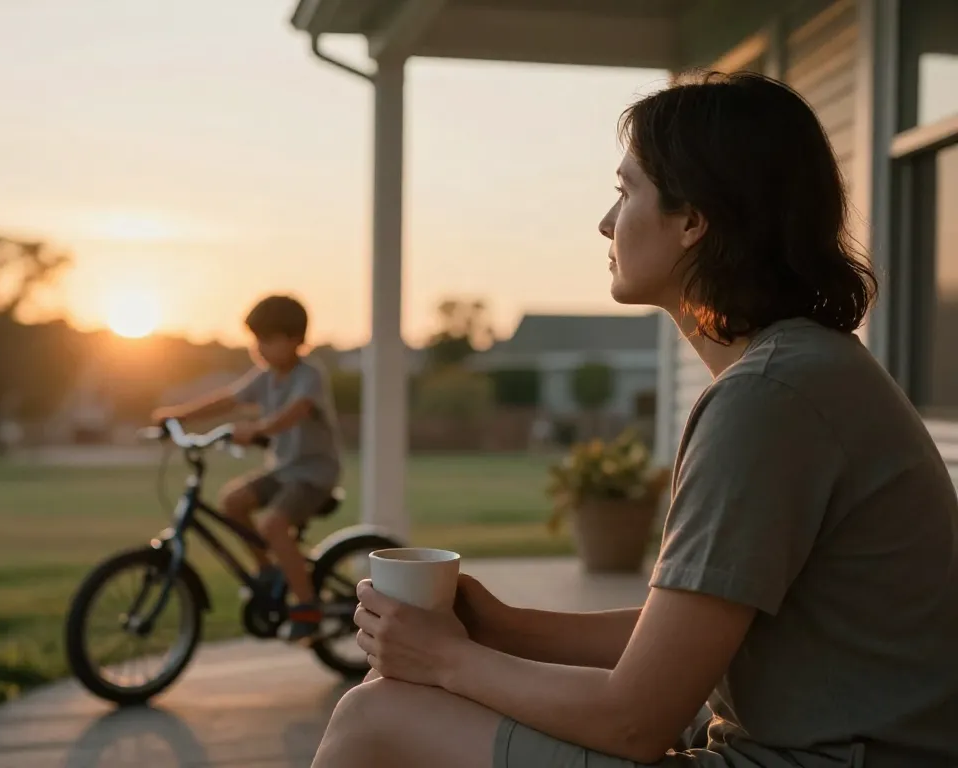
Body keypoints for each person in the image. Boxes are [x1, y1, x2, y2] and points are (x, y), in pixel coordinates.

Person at [310, 71, 958, 767]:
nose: (605, 222)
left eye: (626, 192)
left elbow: (633, 722)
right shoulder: (800, 371)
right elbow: (679, 638)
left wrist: (445, 661)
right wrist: (500, 629)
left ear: (692, 220)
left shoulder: (770, 398)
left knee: (376, 717)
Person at [152, 294, 341, 643]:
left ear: (296, 340)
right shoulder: (266, 377)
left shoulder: (309, 375)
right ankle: (268, 571)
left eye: (268, 340)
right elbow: (229, 399)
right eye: (256, 340)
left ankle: (307, 607)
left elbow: (296, 411)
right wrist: (179, 414)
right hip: (284, 469)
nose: (260, 348)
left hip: (314, 474)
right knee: (233, 501)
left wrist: (259, 428)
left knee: (273, 525)